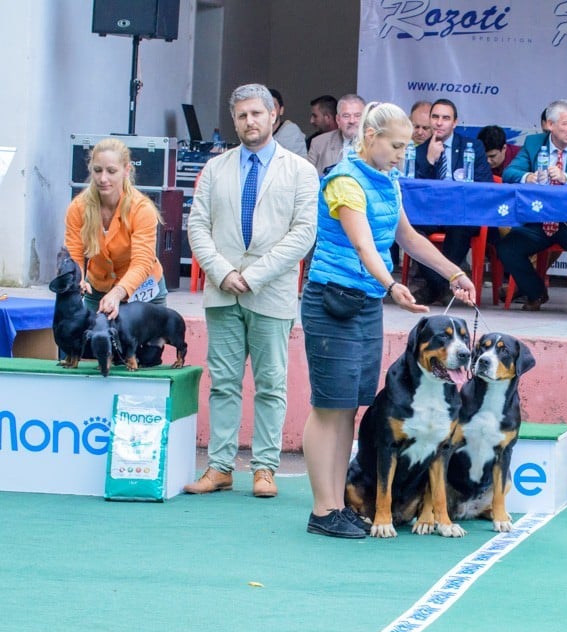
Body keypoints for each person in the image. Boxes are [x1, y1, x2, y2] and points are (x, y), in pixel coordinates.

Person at [300, 101, 476, 538]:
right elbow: (363, 246)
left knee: (349, 407)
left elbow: (407, 237)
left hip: (363, 303)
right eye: (396, 145)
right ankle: (324, 510)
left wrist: (453, 271)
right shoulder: (344, 180)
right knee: (328, 407)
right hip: (332, 300)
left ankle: (339, 504)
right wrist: (394, 286)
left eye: (406, 146)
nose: (402, 154)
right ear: (370, 138)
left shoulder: (389, 179)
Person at [186, 83, 318, 498]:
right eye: (242, 115)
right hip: (223, 290)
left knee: (271, 383)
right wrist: (224, 272)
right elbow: (197, 226)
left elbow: (303, 234)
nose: (249, 122)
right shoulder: (216, 168)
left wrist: (255, 274)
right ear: (234, 120)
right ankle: (220, 466)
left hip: (271, 291)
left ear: (274, 116)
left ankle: (264, 468)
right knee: (224, 382)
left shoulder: (300, 170)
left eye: (257, 114)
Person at [498, 99, 567, 313]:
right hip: (539, 220)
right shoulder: (534, 143)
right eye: (566, 124)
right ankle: (536, 293)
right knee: (507, 247)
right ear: (550, 125)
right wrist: (529, 177)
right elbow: (510, 173)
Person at [64, 137, 166, 319]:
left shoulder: (142, 209)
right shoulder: (78, 208)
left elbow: (142, 262)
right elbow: (74, 254)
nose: (103, 178)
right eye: (97, 170)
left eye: (111, 171)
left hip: (144, 292)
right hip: (97, 290)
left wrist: (118, 293)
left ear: (126, 171)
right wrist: (77, 280)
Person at [411, 98, 494, 305]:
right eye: (435, 117)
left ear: (455, 123)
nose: (439, 122)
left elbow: (485, 183)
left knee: (461, 226)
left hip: (461, 213)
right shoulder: (419, 151)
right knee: (408, 229)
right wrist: (429, 161)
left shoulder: (472, 146)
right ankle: (441, 285)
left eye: (445, 118)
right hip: (430, 213)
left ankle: (434, 288)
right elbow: (415, 191)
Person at [307, 93, 365, 175]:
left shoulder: (376, 144)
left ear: (366, 118)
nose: (352, 121)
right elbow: (307, 178)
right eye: (346, 116)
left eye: (357, 115)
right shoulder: (318, 144)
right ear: (337, 120)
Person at [268, 88, 308, 158]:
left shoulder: (291, 131)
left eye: (273, 106)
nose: (269, 110)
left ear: (281, 110)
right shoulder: (254, 133)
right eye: (265, 106)